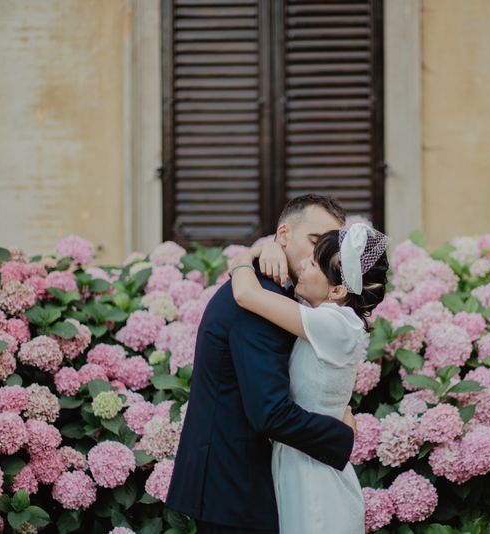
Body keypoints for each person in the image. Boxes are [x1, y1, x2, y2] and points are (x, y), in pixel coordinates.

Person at [166, 195, 358, 534]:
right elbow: (269, 411)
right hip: (233, 484)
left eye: (328, 247)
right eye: (315, 242)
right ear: (283, 235)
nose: (321, 256)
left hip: (237, 480)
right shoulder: (261, 298)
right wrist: (340, 436)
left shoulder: (274, 290)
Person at [228, 221, 390, 534]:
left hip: (314, 475)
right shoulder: (332, 316)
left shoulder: (333, 323)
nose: (303, 262)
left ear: (338, 290)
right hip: (305, 458)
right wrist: (272, 247)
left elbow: (246, 294)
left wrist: (244, 258)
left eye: (314, 263)